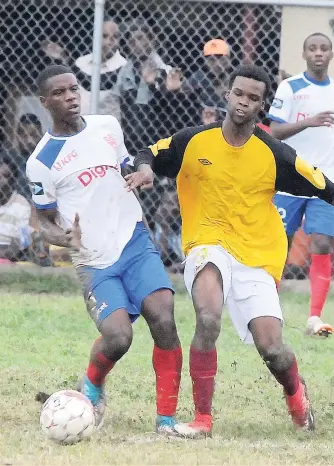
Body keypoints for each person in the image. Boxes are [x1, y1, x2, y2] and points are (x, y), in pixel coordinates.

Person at [125, 64, 334, 438]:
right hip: (206, 242)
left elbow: (326, 187)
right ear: (228, 95)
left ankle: (296, 394)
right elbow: (150, 152)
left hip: (256, 255)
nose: (243, 102)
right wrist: (143, 170)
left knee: (273, 350)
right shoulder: (194, 141)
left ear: (262, 105)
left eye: (253, 98)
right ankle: (203, 419)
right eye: (239, 93)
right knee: (207, 317)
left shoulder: (274, 153)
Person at [25, 65, 182, 434]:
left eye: (74, 89)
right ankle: (92, 387)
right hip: (94, 260)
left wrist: (142, 170)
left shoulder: (106, 126)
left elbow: (127, 162)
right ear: (46, 102)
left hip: (134, 239)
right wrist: (63, 239)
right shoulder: (41, 162)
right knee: (118, 337)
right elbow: (42, 220)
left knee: (164, 317)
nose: (71, 97)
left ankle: (167, 421)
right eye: (61, 93)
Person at [268, 32, 334, 337]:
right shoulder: (289, 88)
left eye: (323, 48)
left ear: (331, 54)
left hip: (324, 179)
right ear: (304, 53)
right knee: (279, 245)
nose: (318, 53)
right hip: (290, 178)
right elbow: (274, 130)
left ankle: (315, 318)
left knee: (323, 243)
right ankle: (268, 311)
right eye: (312, 48)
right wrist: (307, 121)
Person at [74, 18, 127, 119]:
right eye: (104, 36)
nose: (108, 42)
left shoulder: (123, 66)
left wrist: (65, 59)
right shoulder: (81, 62)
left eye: (114, 37)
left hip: (106, 129)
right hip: (79, 127)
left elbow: (94, 84)